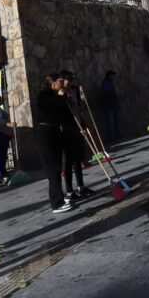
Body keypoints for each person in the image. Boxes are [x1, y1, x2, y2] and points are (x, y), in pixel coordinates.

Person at [35, 73, 74, 214]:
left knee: (57, 166)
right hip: (46, 133)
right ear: (52, 83)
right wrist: (60, 98)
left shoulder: (57, 95)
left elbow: (64, 114)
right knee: (53, 169)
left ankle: (60, 198)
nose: (62, 83)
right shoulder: (43, 95)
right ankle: (57, 203)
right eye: (60, 81)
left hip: (56, 132)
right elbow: (49, 110)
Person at [58, 71, 94, 201]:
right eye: (67, 80)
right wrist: (62, 97)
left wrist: (82, 94)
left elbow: (80, 107)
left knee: (78, 159)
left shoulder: (74, 90)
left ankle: (81, 188)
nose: (69, 83)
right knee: (68, 161)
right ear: (61, 80)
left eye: (71, 80)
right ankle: (69, 191)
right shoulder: (58, 93)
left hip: (78, 127)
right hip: (66, 130)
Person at [98, 70, 122, 143]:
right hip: (109, 106)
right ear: (109, 76)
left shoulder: (109, 83)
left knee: (114, 121)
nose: (113, 77)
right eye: (112, 76)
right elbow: (108, 94)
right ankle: (111, 137)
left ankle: (116, 135)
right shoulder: (106, 83)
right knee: (110, 122)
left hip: (112, 105)